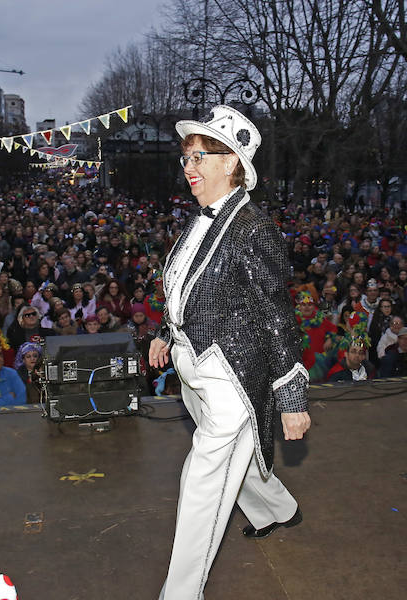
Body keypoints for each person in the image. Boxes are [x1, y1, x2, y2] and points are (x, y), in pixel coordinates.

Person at [149, 105, 310, 599]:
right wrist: (163, 331)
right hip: (192, 362)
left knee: (202, 484)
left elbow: (279, 317)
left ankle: (180, 593)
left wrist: (292, 399)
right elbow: (185, 285)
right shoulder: (201, 220)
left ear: (231, 163)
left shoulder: (254, 229)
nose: (189, 168)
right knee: (231, 462)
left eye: (198, 157)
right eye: (186, 159)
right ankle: (276, 509)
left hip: (232, 377)